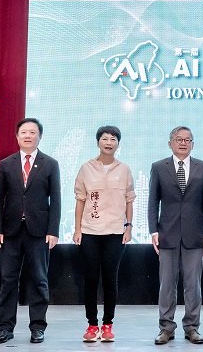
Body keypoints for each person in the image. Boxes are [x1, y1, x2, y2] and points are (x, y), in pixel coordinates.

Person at [0, 118, 61, 344]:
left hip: (38, 232)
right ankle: (5, 328)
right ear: (17, 136)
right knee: (8, 280)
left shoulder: (50, 163)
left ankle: (38, 327)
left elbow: (56, 200)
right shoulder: (6, 164)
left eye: (32, 132)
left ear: (40, 136)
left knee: (39, 280)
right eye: (24, 132)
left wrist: (53, 230)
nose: (28, 136)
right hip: (10, 231)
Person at [148, 126, 203, 345]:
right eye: (179, 139)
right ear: (170, 143)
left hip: (195, 235)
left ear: (192, 144)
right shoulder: (159, 167)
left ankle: (192, 327)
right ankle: (166, 328)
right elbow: (153, 202)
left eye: (187, 140)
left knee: (193, 285)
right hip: (166, 234)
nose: (183, 143)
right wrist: (153, 231)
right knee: (166, 285)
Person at [73, 125, 135, 343]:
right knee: (91, 278)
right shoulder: (86, 168)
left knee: (110, 278)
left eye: (113, 139)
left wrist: (129, 227)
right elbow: (80, 200)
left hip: (116, 232)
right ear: (98, 142)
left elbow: (129, 200)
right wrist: (77, 229)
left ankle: (108, 324)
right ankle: (92, 325)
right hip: (89, 231)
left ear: (118, 144)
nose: (109, 143)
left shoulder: (124, 169)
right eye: (105, 139)